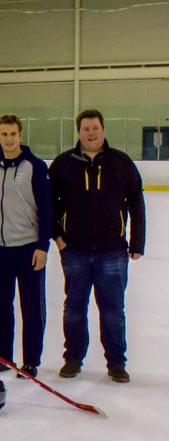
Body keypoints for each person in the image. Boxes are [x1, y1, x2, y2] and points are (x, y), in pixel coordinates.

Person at [51, 109, 145, 383]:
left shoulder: (121, 163)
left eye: (95, 128)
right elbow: (49, 205)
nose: (90, 133)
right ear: (78, 132)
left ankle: (116, 362)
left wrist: (137, 241)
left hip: (112, 252)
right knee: (74, 308)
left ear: (103, 129)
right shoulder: (63, 164)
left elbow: (136, 204)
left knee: (113, 309)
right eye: (85, 129)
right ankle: (73, 358)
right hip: (75, 250)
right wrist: (58, 237)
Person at [0, 114, 53, 378]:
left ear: (21, 135)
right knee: (0, 305)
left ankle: (30, 360)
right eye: (4, 134)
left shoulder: (34, 166)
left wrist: (43, 246)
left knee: (31, 307)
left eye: (13, 133)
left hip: (28, 248)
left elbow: (47, 208)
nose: (9, 139)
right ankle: (2, 356)